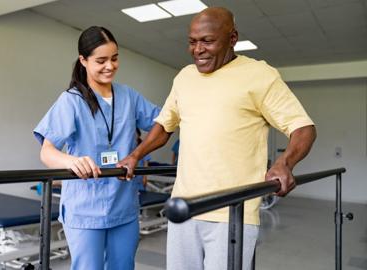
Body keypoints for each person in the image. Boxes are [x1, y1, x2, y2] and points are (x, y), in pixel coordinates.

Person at [117, 7, 316, 270]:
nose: (198, 49)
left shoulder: (259, 75)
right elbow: (164, 126)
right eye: (192, 42)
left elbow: (303, 127)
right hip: (184, 207)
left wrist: (284, 162)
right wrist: (135, 156)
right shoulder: (184, 77)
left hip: (232, 212)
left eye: (207, 41)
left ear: (232, 38)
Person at [33, 26, 160, 270]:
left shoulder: (129, 97)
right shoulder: (71, 100)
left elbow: (162, 124)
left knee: (123, 266)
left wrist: (138, 154)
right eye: (101, 60)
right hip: (85, 209)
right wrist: (70, 161)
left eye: (114, 58)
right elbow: (46, 152)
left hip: (123, 207)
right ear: (83, 60)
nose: (110, 66)